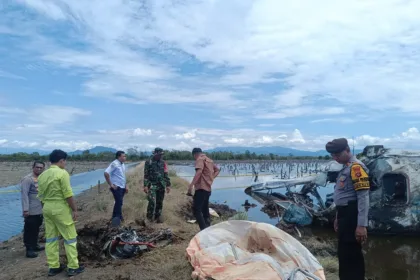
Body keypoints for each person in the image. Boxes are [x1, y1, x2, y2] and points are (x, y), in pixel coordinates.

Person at [326, 138, 369, 280]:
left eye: (337, 155)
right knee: (344, 253)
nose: (335, 158)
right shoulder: (346, 167)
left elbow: (363, 197)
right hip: (345, 215)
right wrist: (338, 217)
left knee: (352, 254)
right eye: (333, 156)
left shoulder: (356, 168)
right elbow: (342, 196)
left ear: (347, 150)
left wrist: (361, 225)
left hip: (352, 216)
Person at [37, 149, 84, 277]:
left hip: (47, 207)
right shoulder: (62, 173)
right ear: (61, 160)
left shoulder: (42, 175)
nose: (65, 164)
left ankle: (54, 266)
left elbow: (40, 195)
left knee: (51, 238)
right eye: (65, 161)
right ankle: (73, 267)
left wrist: (46, 207)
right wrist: (74, 209)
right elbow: (68, 194)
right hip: (60, 208)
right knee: (70, 238)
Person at [187, 148, 220, 230]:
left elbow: (199, 172)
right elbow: (217, 170)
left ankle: (203, 230)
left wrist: (191, 185)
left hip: (201, 188)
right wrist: (211, 178)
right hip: (208, 189)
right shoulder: (209, 160)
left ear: (194, 154)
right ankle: (207, 228)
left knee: (196, 210)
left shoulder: (199, 159)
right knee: (205, 210)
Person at [21, 161, 45, 258]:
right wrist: (25, 210)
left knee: (36, 228)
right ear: (33, 167)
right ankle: (29, 249)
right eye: (37, 167)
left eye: (41, 168)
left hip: (40, 209)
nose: (39, 169)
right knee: (29, 229)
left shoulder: (41, 178)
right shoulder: (27, 179)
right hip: (31, 210)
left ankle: (35, 245)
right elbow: (24, 195)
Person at [143, 147, 171, 223]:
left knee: (160, 202)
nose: (160, 156)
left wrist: (168, 185)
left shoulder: (163, 162)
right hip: (152, 184)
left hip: (161, 185)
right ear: (155, 153)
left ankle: (157, 217)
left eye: (161, 154)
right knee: (151, 201)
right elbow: (146, 175)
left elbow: (166, 174)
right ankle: (149, 218)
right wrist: (145, 185)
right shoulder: (149, 162)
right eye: (159, 154)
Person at [104, 151, 127, 223]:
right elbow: (106, 173)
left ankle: (117, 217)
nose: (125, 157)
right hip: (116, 187)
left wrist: (126, 186)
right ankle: (117, 218)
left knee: (119, 202)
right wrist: (110, 184)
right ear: (119, 157)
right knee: (119, 202)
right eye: (123, 156)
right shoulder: (114, 164)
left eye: (125, 156)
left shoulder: (122, 164)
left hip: (122, 186)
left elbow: (123, 176)